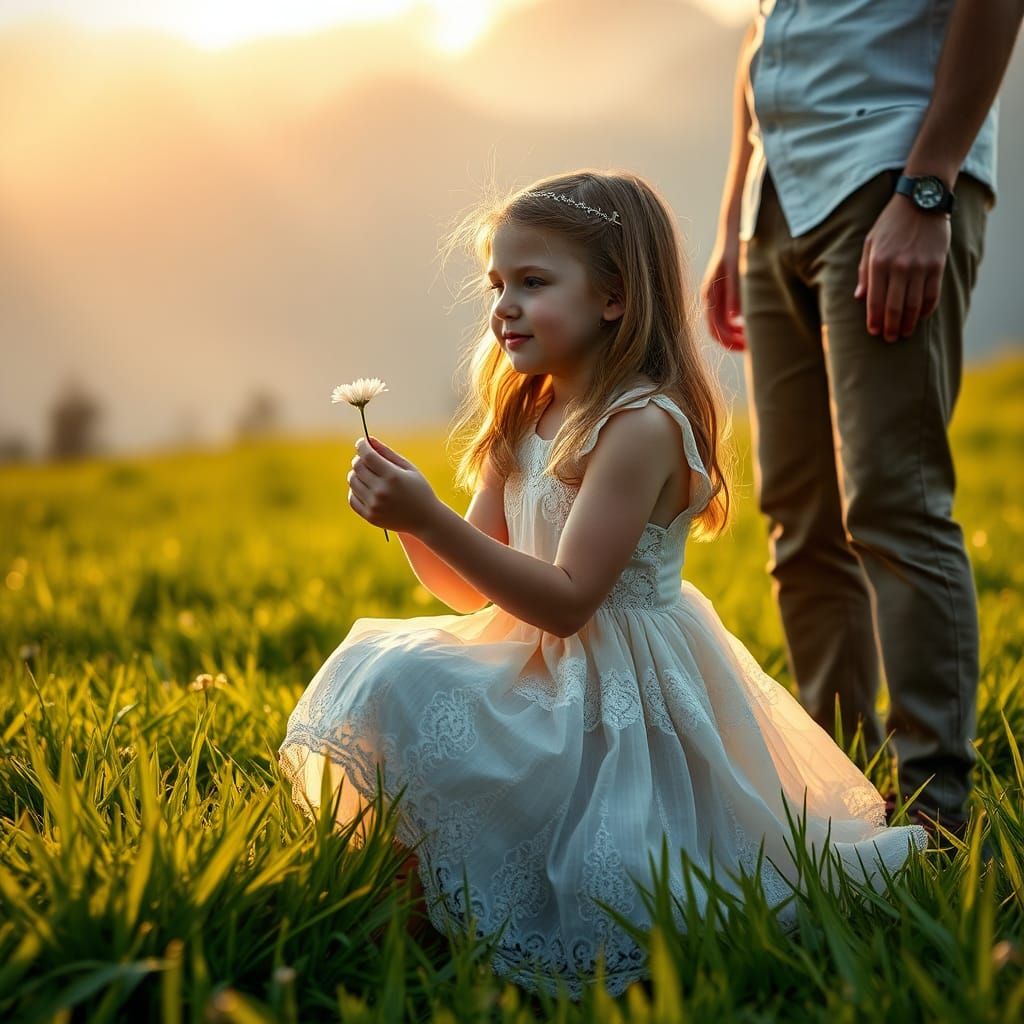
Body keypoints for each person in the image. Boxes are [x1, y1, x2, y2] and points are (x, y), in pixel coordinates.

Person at [279, 170, 927, 1001]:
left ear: (615, 298)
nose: (504, 307)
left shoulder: (641, 424)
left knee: (408, 682)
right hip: (532, 656)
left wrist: (429, 516)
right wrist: (407, 520)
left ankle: (468, 929)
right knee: (386, 670)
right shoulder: (527, 410)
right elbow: (464, 588)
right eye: (498, 285)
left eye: (534, 283)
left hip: (619, 681)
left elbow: (569, 597)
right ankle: (417, 915)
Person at [700, 0, 1021, 841]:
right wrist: (734, 218)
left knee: (892, 499)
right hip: (778, 199)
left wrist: (929, 186)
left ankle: (934, 818)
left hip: (890, 177)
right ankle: (837, 796)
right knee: (799, 518)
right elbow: (760, 36)